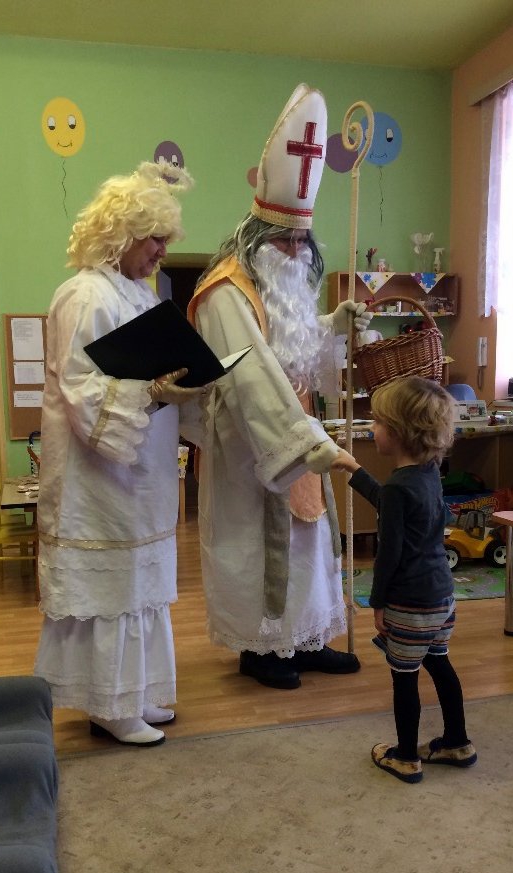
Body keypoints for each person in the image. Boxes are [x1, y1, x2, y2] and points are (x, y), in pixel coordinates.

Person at [186, 83, 373, 690]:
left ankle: (307, 637)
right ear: (255, 237)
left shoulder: (283, 283)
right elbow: (252, 375)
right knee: (259, 548)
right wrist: (302, 440)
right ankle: (262, 648)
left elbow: (290, 343)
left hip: (297, 435)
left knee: (309, 543)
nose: (293, 252)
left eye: (300, 242)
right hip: (252, 450)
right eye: (282, 241)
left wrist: (332, 325)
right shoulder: (225, 292)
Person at [33, 161, 201, 746]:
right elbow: (81, 387)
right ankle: (108, 704)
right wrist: (151, 391)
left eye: (165, 239)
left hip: (139, 474)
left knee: (139, 587)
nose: (162, 251)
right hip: (97, 478)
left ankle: (134, 692)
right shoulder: (84, 294)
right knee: (112, 592)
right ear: (122, 233)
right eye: (154, 238)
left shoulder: (135, 292)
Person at [331, 375, 477, 783]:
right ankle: (457, 742)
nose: (372, 428)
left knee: (405, 679)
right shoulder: (428, 472)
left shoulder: (399, 486)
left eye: (377, 422)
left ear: (397, 432)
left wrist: (377, 603)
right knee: (440, 664)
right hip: (441, 598)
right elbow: (394, 504)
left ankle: (406, 757)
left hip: (409, 604)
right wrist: (354, 469)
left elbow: (389, 555)